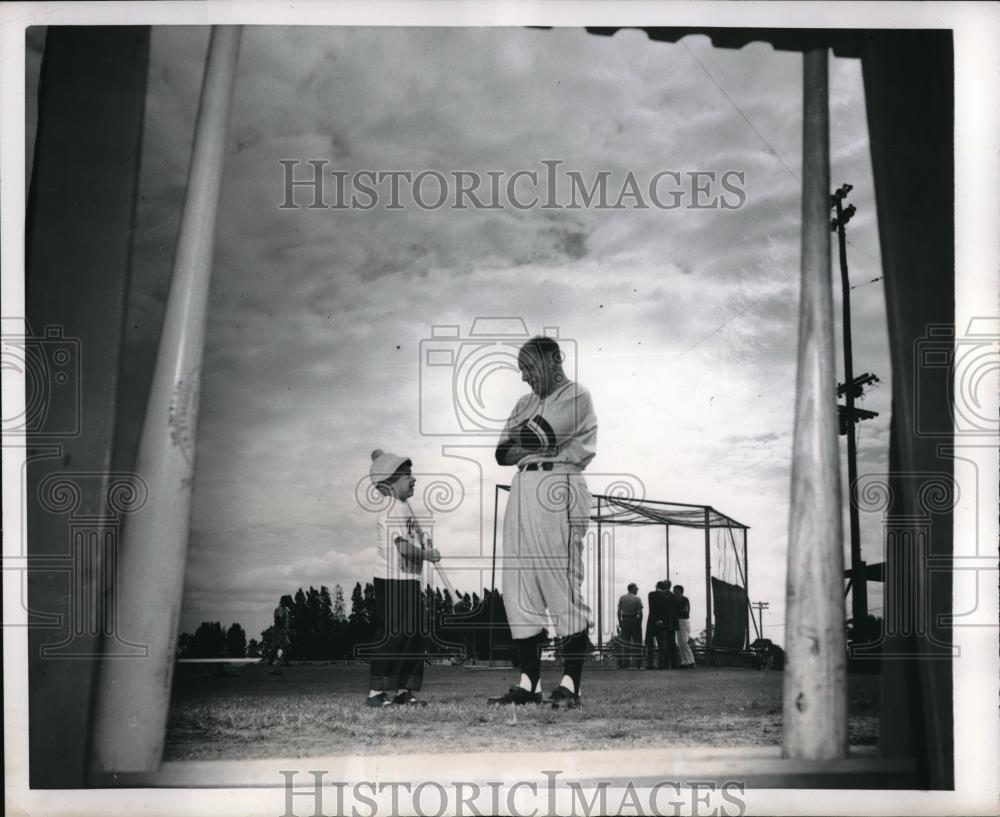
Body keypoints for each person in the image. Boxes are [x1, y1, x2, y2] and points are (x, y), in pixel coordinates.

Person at [487, 336, 598, 709]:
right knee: (518, 586)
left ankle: (571, 682)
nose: (524, 378)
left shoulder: (576, 395)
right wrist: (532, 441)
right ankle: (529, 683)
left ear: (555, 359)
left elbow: (540, 436)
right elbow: (502, 452)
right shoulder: (524, 402)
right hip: (522, 486)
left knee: (559, 581)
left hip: (559, 483)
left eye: (530, 368)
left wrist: (531, 440)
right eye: (521, 371)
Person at [365, 448, 442, 707]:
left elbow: (411, 538)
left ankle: (403, 692)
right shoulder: (391, 509)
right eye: (407, 475)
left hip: (408, 581)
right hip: (392, 582)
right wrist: (427, 554)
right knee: (394, 635)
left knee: (414, 635)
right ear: (389, 483)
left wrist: (421, 537)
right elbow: (403, 549)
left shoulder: (403, 508)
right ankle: (376, 693)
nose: (413, 479)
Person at [616, 583, 644, 669]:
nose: (637, 589)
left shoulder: (622, 598)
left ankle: (625, 662)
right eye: (636, 588)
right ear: (632, 589)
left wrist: (620, 622)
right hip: (634, 620)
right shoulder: (637, 599)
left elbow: (619, 611)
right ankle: (638, 663)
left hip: (625, 620)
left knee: (625, 642)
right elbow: (640, 612)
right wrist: (639, 622)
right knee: (637, 642)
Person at [673, 584, 696, 668]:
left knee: (683, 641)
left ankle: (691, 661)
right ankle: (685, 662)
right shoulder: (678, 599)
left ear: (680, 591)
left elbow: (686, 610)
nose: (674, 591)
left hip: (683, 620)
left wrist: (675, 612)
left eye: (675, 590)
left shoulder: (684, 599)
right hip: (679, 620)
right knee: (680, 642)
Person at [268, 594, 293, 667]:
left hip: (282, 630)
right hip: (279, 630)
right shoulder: (280, 609)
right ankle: (271, 662)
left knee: (286, 645)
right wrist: (282, 629)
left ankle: (286, 662)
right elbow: (278, 618)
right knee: (276, 646)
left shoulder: (285, 609)